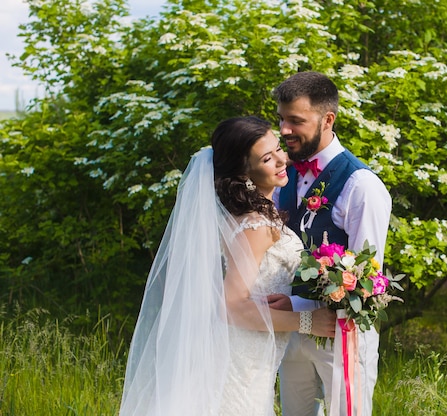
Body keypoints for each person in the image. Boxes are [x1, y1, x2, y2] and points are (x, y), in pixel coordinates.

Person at [118, 116, 336, 416]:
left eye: (277, 149)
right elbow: (230, 307)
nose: (280, 160)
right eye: (267, 158)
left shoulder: (249, 215)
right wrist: (309, 321)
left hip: (254, 355)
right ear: (244, 171)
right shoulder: (255, 225)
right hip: (240, 357)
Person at [269, 72, 392, 416]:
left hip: (341, 335)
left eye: (295, 120)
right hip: (290, 330)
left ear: (327, 119)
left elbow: (367, 280)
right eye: (281, 118)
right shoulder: (283, 174)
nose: (284, 130)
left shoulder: (361, 186)